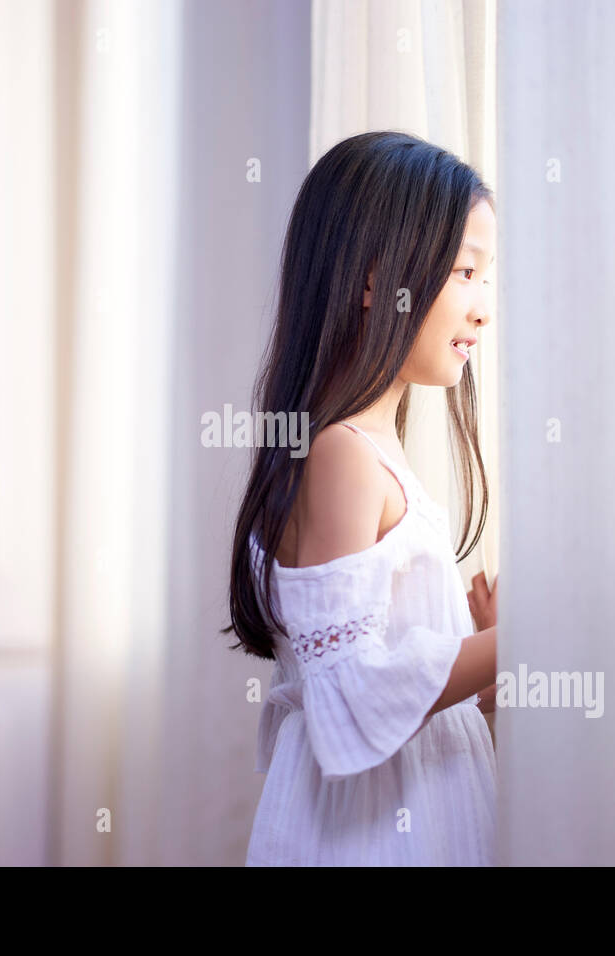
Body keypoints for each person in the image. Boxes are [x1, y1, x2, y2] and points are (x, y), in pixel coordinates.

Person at [225, 130, 501, 866]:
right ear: (379, 280)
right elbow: (349, 693)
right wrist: (511, 647)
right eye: (464, 272)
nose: (481, 309)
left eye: (486, 277)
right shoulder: (341, 454)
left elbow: (408, 707)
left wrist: (492, 671)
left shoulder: (368, 452)